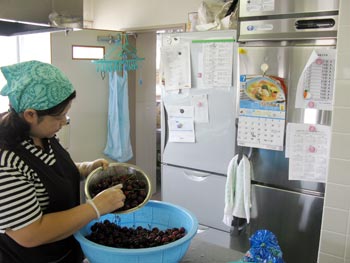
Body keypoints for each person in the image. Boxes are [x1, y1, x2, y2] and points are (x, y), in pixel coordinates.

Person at [0, 60, 126, 263]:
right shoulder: (6, 161)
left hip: (66, 252)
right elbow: (30, 233)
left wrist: (86, 168)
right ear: (30, 114)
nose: (64, 121)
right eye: (59, 116)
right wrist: (95, 208)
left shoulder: (40, 134)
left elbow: (48, 173)